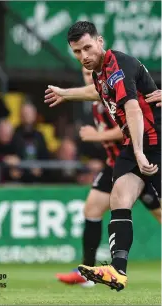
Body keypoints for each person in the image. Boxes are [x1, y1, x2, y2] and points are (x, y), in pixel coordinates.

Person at [44, 21, 161, 291]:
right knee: (119, 195)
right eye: (77, 52)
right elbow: (97, 91)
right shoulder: (100, 72)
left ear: (100, 41)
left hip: (154, 143)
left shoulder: (117, 65)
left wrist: (140, 151)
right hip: (136, 147)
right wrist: (66, 93)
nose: (83, 56)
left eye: (87, 47)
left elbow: (131, 107)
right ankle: (117, 270)